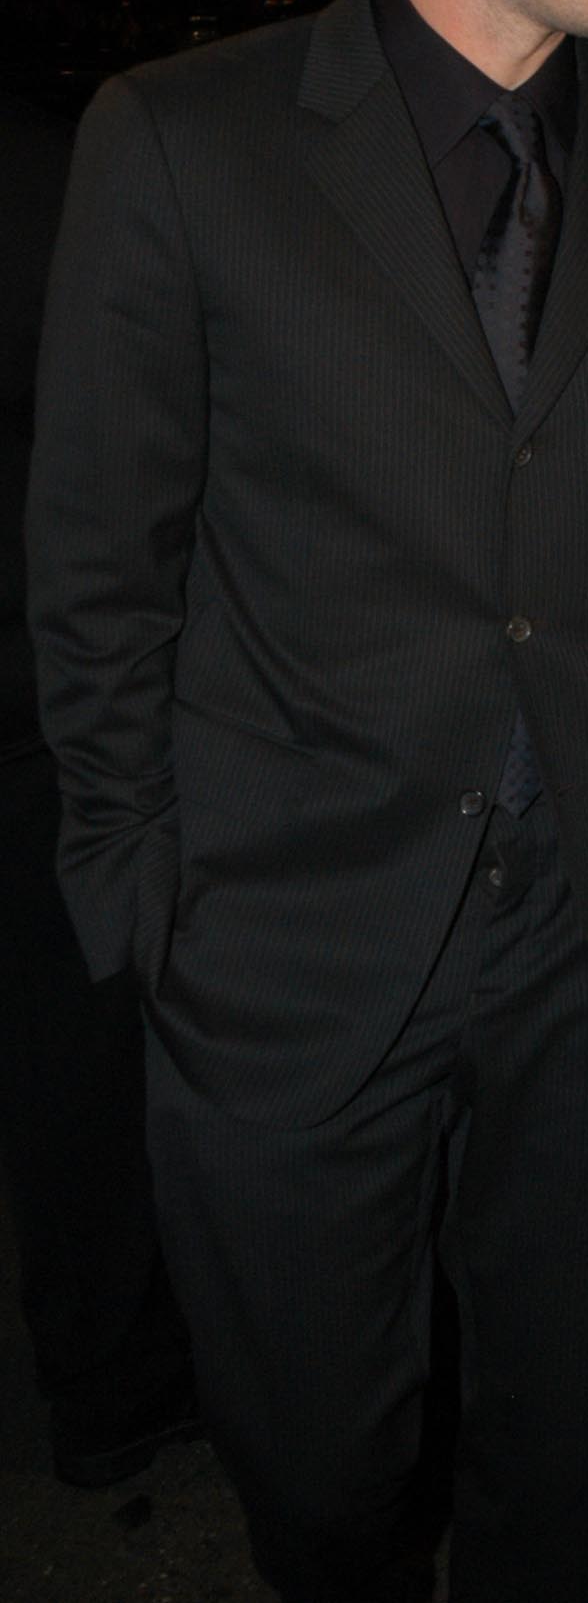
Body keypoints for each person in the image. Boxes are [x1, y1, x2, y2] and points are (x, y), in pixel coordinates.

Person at [27, 0, 588, 1603]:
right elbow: (101, 561)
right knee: (327, 1481)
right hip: (283, 947)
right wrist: (145, 904)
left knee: (564, 1467)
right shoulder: (184, 140)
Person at [1, 88, 196, 1490]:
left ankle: (111, 1389)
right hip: (36, 686)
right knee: (73, 1058)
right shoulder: (53, 160)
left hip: (39, 678)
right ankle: (113, 1391)